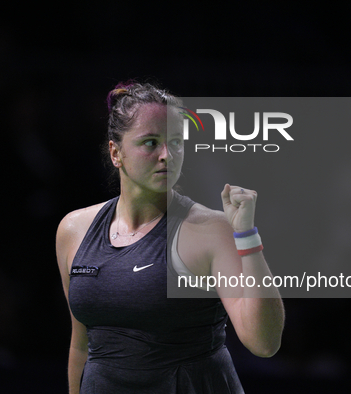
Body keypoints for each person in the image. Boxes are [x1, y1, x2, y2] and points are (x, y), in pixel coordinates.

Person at [55, 81, 285, 393]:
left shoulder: (212, 230)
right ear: (115, 153)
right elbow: (81, 345)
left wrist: (246, 235)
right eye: (150, 143)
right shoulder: (73, 230)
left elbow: (264, 342)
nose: (167, 154)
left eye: (176, 142)